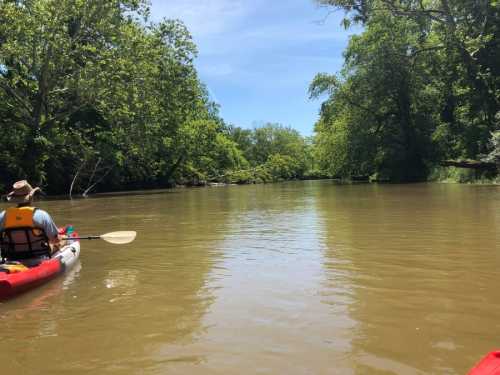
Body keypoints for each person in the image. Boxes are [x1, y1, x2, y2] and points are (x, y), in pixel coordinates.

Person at [0, 180, 61, 261]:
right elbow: (55, 240)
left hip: (12, 257)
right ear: (31, 197)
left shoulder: (3, 216)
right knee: (58, 243)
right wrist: (60, 238)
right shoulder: (42, 215)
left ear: (14, 198)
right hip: (38, 257)